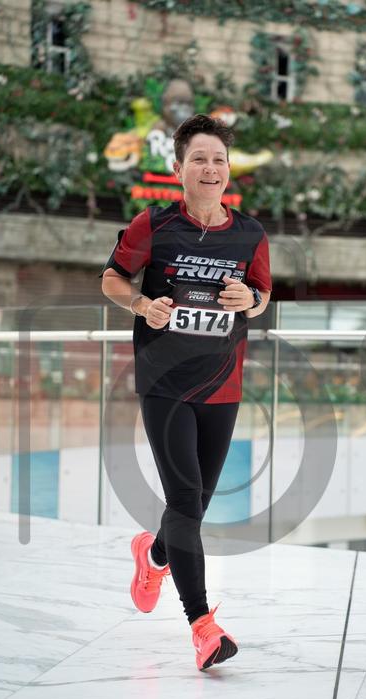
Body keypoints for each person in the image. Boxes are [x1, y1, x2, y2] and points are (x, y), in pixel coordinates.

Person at [99, 114, 272, 670]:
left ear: (228, 171)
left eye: (219, 160)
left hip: (223, 384)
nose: (210, 168)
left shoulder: (250, 234)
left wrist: (250, 301)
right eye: (199, 158)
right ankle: (202, 626)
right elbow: (111, 278)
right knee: (183, 499)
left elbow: (263, 296)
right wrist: (140, 304)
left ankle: (152, 555)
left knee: (193, 506)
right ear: (179, 169)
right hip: (164, 381)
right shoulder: (153, 224)